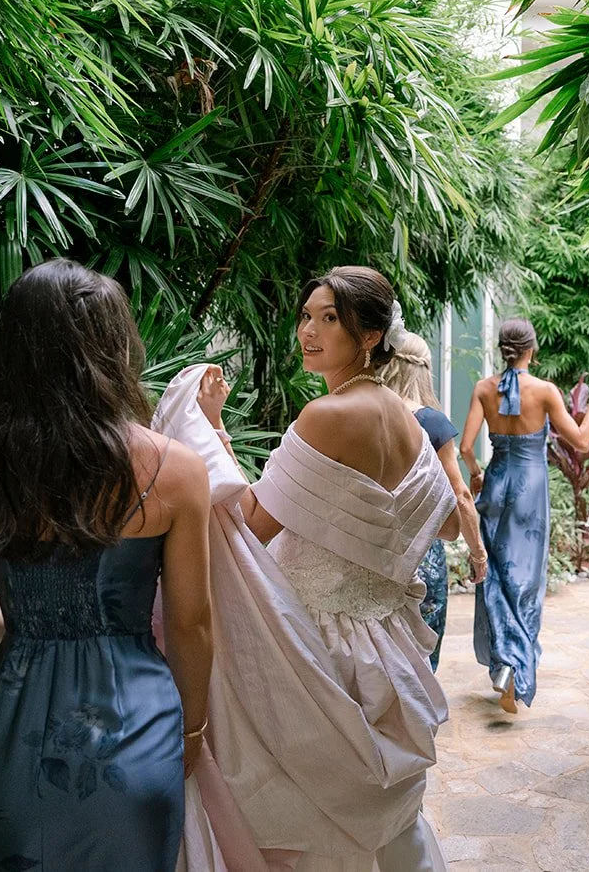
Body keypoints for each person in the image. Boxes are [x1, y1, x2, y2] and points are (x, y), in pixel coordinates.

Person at [172, 265, 458, 872]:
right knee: (374, 818)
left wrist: (211, 426)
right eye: (307, 316)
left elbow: (249, 520)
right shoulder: (407, 419)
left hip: (314, 642)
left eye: (330, 319)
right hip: (383, 643)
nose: (309, 330)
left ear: (370, 336)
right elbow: (436, 516)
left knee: (305, 813)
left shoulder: (326, 417)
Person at [0, 258, 213, 872]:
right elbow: (192, 624)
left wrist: (43, 630)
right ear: (115, 347)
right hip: (139, 722)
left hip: (18, 729)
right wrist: (192, 731)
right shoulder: (177, 470)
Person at [460, 319, 589, 713]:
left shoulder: (483, 389)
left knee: (493, 573)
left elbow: (464, 447)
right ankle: (516, 667)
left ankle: (503, 664)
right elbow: (580, 441)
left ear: (501, 348)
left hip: (495, 483)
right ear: (532, 349)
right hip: (529, 489)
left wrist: (475, 473)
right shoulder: (544, 391)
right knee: (525, 580)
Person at [377, 328, 487, 669]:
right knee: (421, 656)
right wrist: (478, 553)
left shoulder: (367, 416)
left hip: (371, 547)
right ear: (423, 370)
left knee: (380, 653)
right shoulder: (432, 422)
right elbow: (461, 496)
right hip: (421, 555)